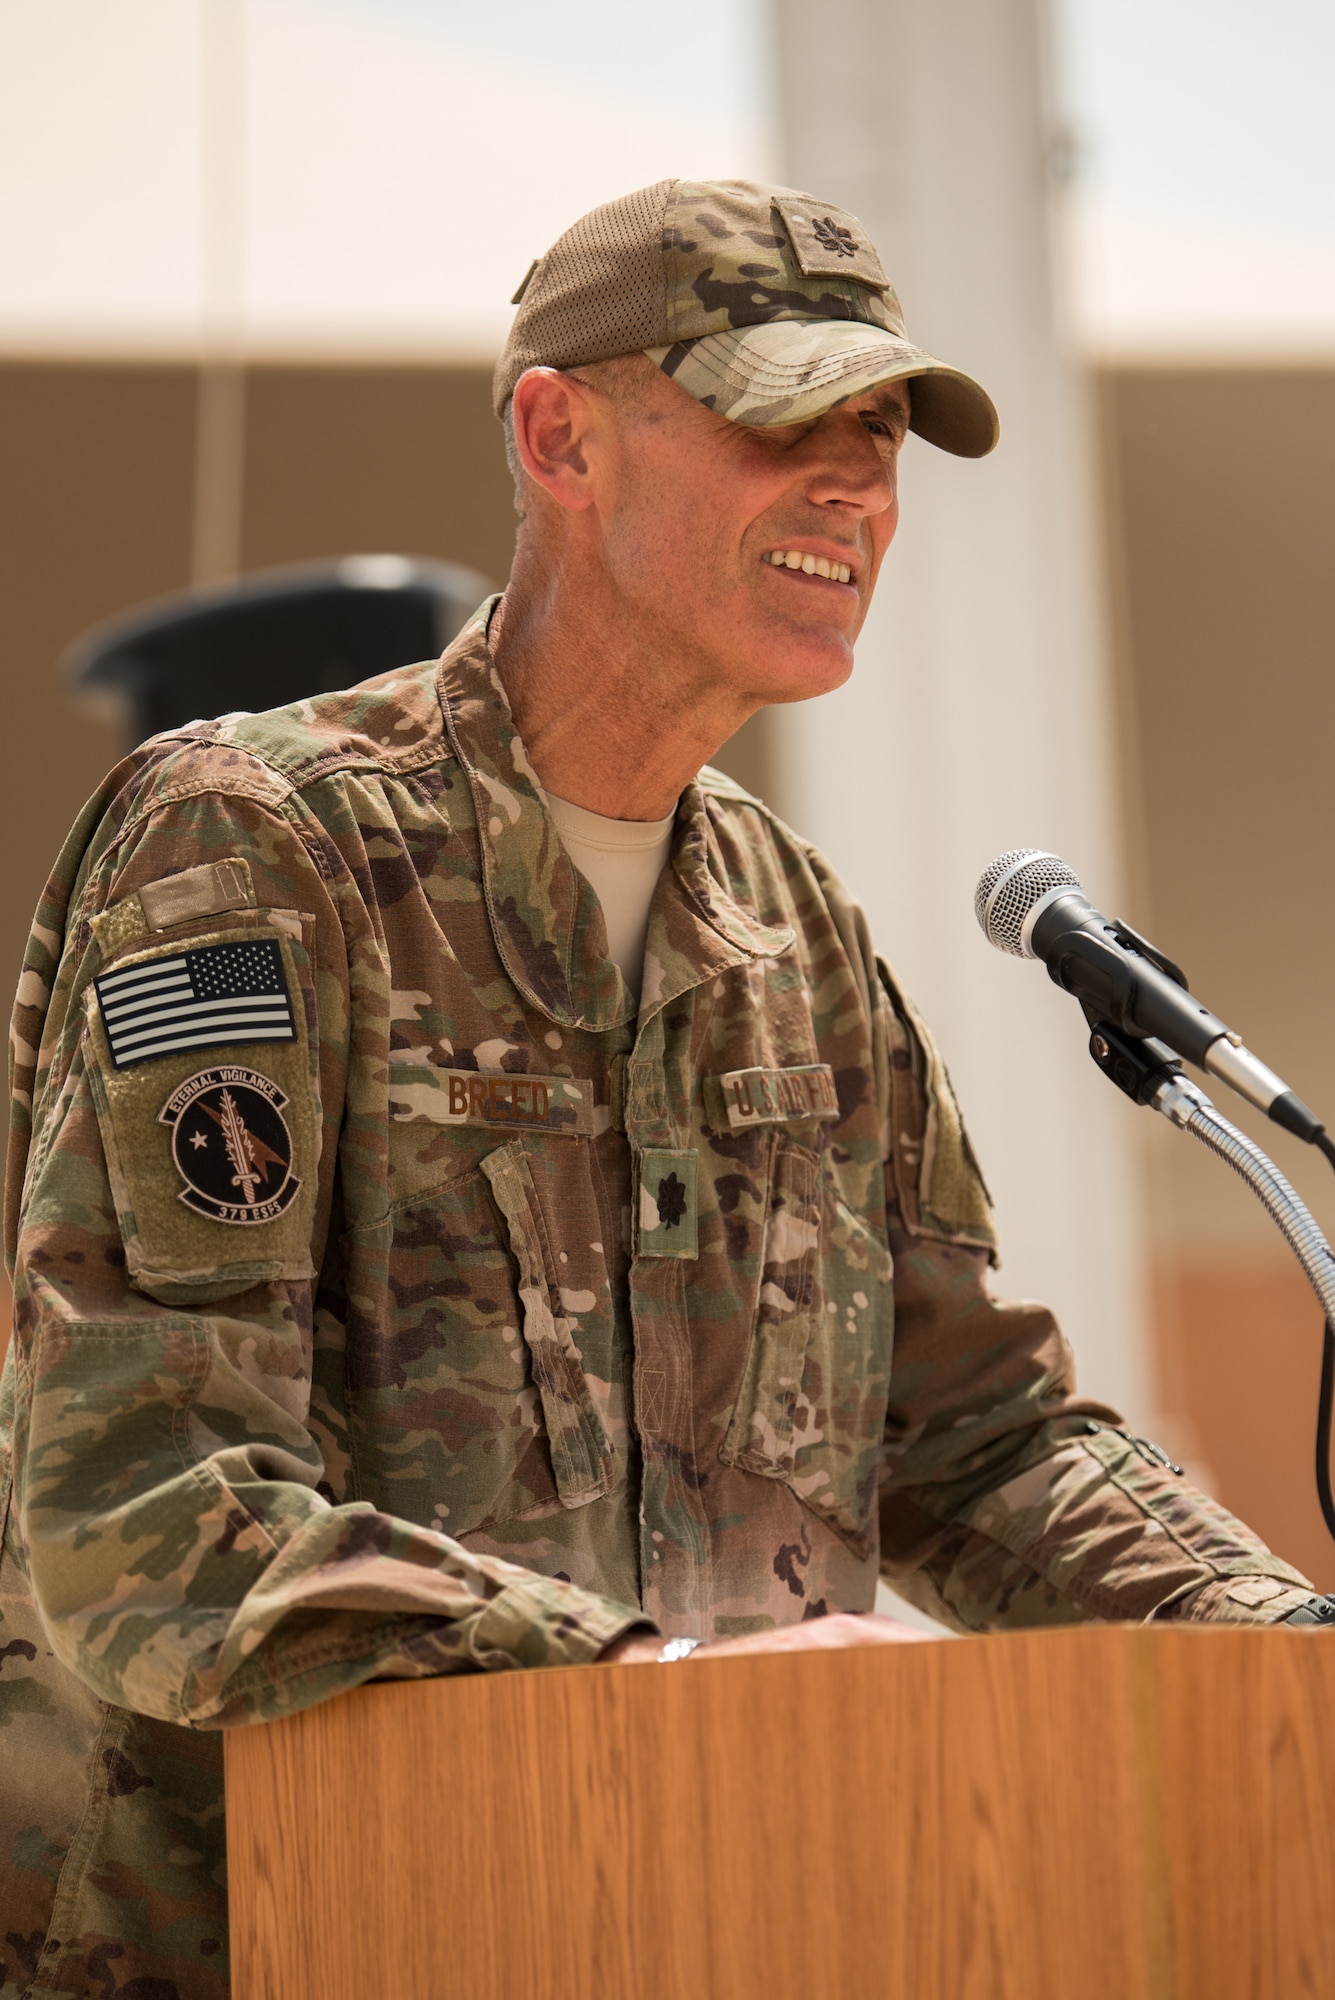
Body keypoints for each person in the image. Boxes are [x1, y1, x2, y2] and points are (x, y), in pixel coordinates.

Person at [1, 177, 1325, 1999]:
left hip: (713, 1918)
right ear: (562, 436)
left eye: (881, 433)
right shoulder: (259, 845)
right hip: (275, 1944)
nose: (856, 487)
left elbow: (972, 1439)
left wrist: (1288, 1646)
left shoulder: (796, 925)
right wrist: (643, 1686)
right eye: (785, 415)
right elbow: (139, 1503)